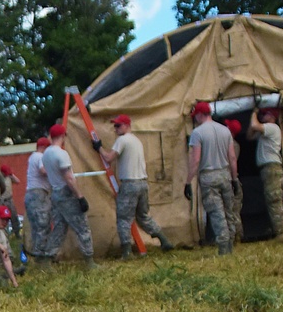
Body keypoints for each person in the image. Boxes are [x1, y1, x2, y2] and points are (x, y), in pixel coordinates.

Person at [98, 113, 174, 258]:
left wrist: (99, 148)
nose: (115, 129)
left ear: (127, 126)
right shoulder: (136, 141)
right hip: (143, 183)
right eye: (115, 126)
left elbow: (108, 159)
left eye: (118, 125)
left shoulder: (122, 140)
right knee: (143, 216)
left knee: (123, 218)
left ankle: (127, 252)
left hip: (130, 183)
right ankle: (163, 240)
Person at [184, 103, 238, 256]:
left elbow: (195, 161)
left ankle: (223, 248)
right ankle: (231, 243)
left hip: (208, 176)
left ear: (200, 115)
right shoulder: (225, 131)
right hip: (225, 174)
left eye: (195, 116)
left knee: (216, 213)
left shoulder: (197, 133)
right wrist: (234, 179)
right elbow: (232, 158)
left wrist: (188, 182)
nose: (195, 119)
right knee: (229, 210)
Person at [43, 123, 93, 264]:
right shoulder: (61, 154)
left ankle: (48, 258)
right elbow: (69, 178)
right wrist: (80, 196)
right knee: (82, 227)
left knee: (59, 227)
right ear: (62, 136)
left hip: (55, 193)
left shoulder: (46, 154)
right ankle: (89, 260)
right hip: (66, 193)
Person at [247, 107, 283, 238]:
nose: (262, 116)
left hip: (272, 167)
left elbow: (255, 125)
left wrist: (254, 112)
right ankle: (277, 228)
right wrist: (253, 123)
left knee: (274, 200)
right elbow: (249, 136)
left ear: (272, 116)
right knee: (271, 200)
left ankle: (281, 232)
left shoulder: (272, 128)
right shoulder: (265, 130)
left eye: (265, 114)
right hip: (267, 168)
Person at [24, 137, 53, 262]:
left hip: (31, 194)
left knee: (36, 228)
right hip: (39, 194)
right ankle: (41, 257)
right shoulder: (40, 157)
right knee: (43, 225)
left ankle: (36, 254)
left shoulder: (32, 157)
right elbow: (43, 170)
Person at [223, 118, 244, 243]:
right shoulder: (231, 145)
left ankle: (237, 236)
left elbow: (231, 163)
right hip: (231, 180)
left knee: (233, 211)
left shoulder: (233, 146)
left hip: (231, 180)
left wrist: (233, 180)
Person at [0, 163, 23, 243]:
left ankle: (17, 233)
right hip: (2, 200)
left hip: (10, 199)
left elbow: (17, 181)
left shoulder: (9, 177)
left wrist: (11, 174)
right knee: (3, 219)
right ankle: (4, 236)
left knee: (14, 217)